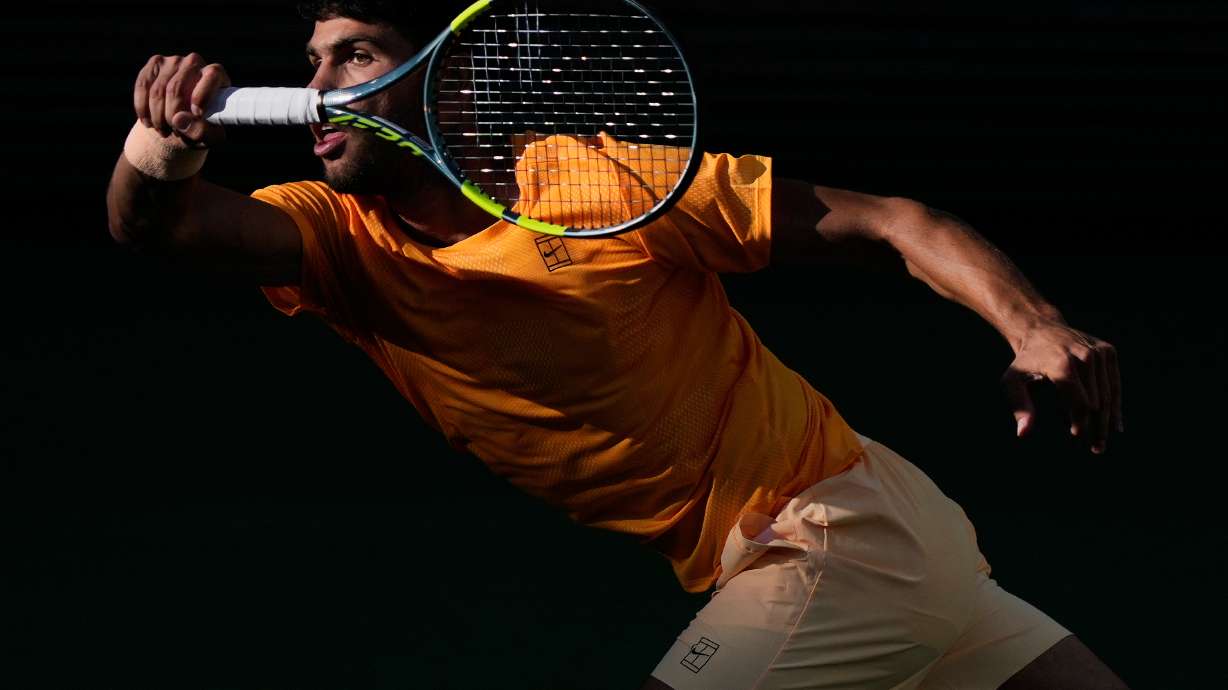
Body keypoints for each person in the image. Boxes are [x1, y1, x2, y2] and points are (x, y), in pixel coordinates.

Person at [106, 2, 1128, 688]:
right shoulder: (331, 236)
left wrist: (1035, 327)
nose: (320, 84)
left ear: (448, 84)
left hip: (826, 533)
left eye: (356, 54)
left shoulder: (598, 184)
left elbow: (892, 220)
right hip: (889, 539)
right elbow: (162, 225)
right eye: (311, 62)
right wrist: (161, 147)